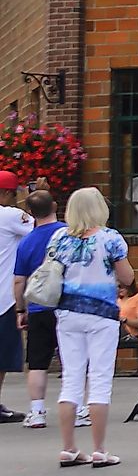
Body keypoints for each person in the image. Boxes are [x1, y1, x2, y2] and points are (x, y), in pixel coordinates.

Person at [43, 186, 135, 467]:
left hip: (68, 314)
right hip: (102, 315)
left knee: (71, 378)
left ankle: (68, 448)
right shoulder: (110, 239)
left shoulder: (59, 237)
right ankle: (99, 449)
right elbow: (127, 277)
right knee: (99, 379)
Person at [12, 186, 63, 430]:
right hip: (67, 305)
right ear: (54, 206)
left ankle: (37, 411)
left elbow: (19, 280)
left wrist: (20, 310)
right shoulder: (68, 233)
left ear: (30, 212)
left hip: (39, 307)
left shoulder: (26, 242)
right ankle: (82, 408)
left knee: (37, 362)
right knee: (74, 360)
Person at [0, 171, 29, 422]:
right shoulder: (10, 216)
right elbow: (42, 227)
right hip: (4, 298)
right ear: (7, 193)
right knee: (2, 355)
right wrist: (34, 197)